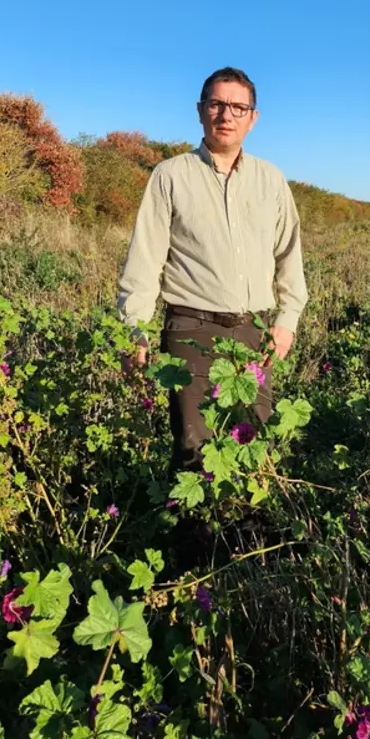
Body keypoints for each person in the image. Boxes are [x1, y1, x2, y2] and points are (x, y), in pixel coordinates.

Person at [117, 66, 308, 473]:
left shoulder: (271, 180)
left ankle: (248, 535)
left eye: (238, 107)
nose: (227, 115)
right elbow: (145, 259)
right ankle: (196, 537)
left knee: (254, 441)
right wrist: (135, 328)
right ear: (200, 110)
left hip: (254, 331)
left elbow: (289, 255)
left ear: (253, 118)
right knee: (194, 447)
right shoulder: (169, 176)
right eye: (217, 104)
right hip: (191, 329)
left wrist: (287, 321)